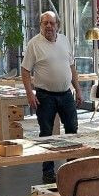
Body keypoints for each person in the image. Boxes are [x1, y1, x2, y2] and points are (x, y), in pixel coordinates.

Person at [21, 11, 82, 183]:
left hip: (66, 94)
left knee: (72, 131)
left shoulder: (64, 40)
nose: (48, 26)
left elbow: (72, 67)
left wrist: (78, 89)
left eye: (51, 23)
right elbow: (25, 71)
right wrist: (29, 94)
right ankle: (48, 172)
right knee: (46, 134)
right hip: (45, 96)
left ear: (57, 25)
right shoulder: (34, 44)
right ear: (40, 25)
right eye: (44, 23)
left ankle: (73, 167)